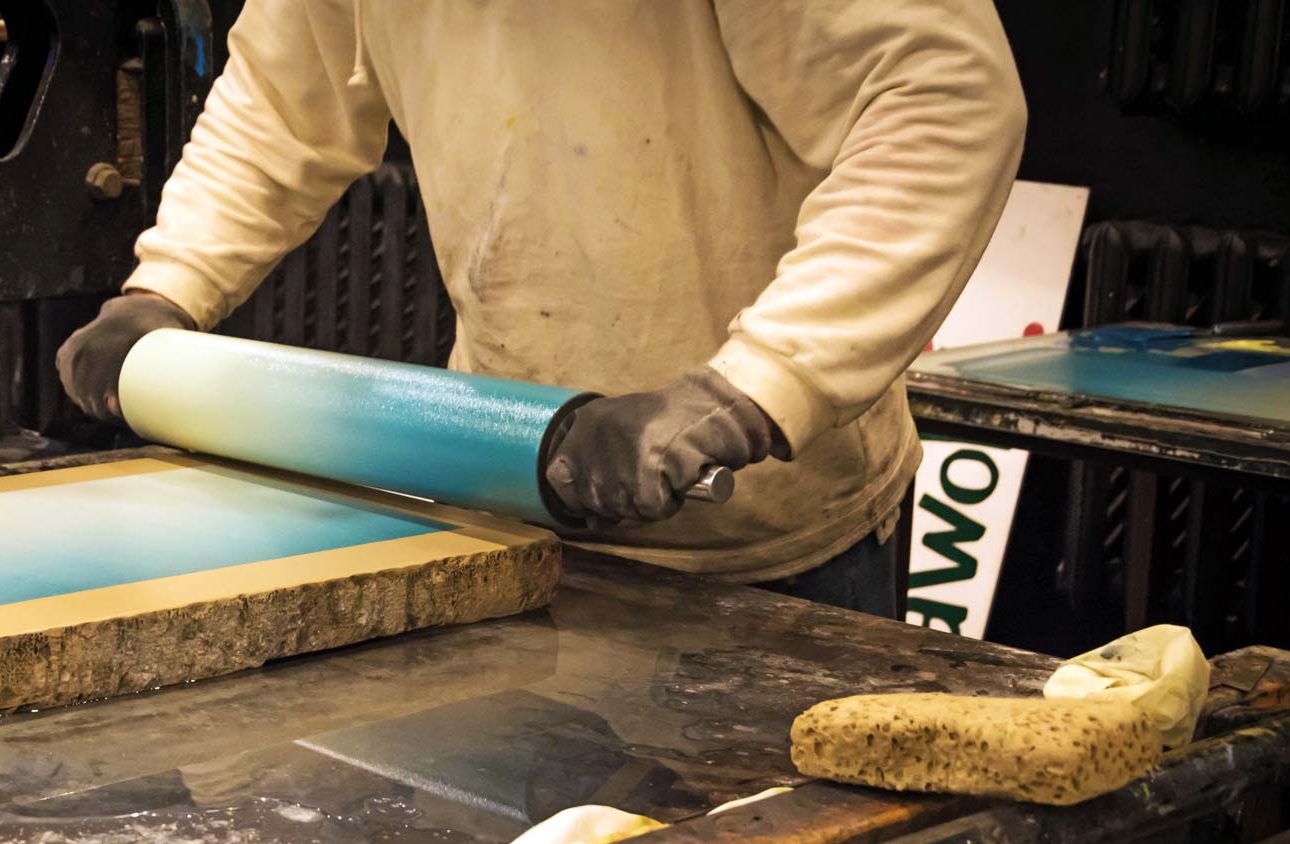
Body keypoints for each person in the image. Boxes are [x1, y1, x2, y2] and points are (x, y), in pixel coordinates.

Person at [57, 1, 1027, 618]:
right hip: (506, 493)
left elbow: (943, 101)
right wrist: (166, 287)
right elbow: (282, 100)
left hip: (767, 545)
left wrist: (754, 388)